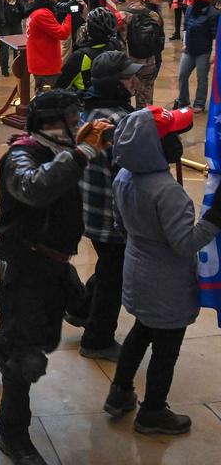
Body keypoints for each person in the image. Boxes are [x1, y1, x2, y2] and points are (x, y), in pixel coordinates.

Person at [0, 90, 113, 464]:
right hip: (22, 266)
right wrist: (81, 153)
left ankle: (3, 341)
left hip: (53, 264)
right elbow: (34, 188)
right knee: (27, 360)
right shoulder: (20, 156)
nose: (76, 128)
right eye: (70, 122)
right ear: (49, 126)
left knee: (49, 336)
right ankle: (13, 434)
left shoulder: (58, 154)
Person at [104, 105, 221, 435]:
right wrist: (215, 217)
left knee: (140, 331)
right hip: (166, 282)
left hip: (138, 268)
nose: (180, 142)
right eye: (174, 136)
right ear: (157, 148)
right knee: (166, 349)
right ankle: (153, 411)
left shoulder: (124, 176)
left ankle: (120, 391)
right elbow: (186, 243)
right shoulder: (168, 192)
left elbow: (120, 224)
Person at [75, 52, 140, 363]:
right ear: (113, 84)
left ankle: (82, 309)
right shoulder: (118, 122)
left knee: (109, 265)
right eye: (127, 77)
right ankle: (97, 339)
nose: (133, 80)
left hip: (89, 208)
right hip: (110, 216)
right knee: (115, 274)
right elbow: (128, 171)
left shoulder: (88, 111)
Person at [26, 0, 79, 90]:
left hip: (43, 62)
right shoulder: (42, 14)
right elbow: (63, 34)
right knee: (47, 101)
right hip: (45, 65)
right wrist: (69, 15)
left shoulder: (39, 11)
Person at [119, 0, 165, 108]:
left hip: (129, 63)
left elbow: (121, 43)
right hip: (149, 61)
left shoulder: (123, 16)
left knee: (123, 98)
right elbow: (160, 40)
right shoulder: (154, 15)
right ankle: (146, 121)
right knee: (146, 99)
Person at [174, 0, 218, 111]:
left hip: (204, 51)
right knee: (182, 75)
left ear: (202, 0)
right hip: (189, 49)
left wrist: (213, 54)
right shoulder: (189, 9)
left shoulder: (214, 14)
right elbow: (186, 27)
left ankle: (199, 103)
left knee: (202, 78)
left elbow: (215, 36)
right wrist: (185, 44)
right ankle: (183, 101)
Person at [56, 7, 121, 92]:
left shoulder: (79, 56)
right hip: (114, 99)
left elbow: (61, 86)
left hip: (87, 102)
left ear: (89, 30)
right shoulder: (115, 45)